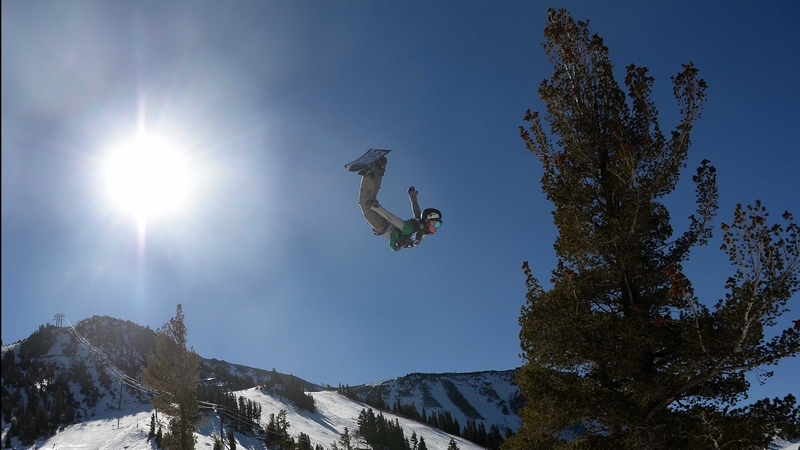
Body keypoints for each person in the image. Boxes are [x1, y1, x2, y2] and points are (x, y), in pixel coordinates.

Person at [357, 156, 442, 251]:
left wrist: (413, 196)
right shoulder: (414, 229)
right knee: (365, 202)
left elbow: (417, 213)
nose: (437, 228)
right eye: (436, 224)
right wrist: (377, 208)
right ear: (428, 221)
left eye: (439, 225)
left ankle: (377, 170)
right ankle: (372, 173)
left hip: (386, 226)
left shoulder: (420, 230)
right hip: (384, 225)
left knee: (369, 200)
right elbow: (394, 220)